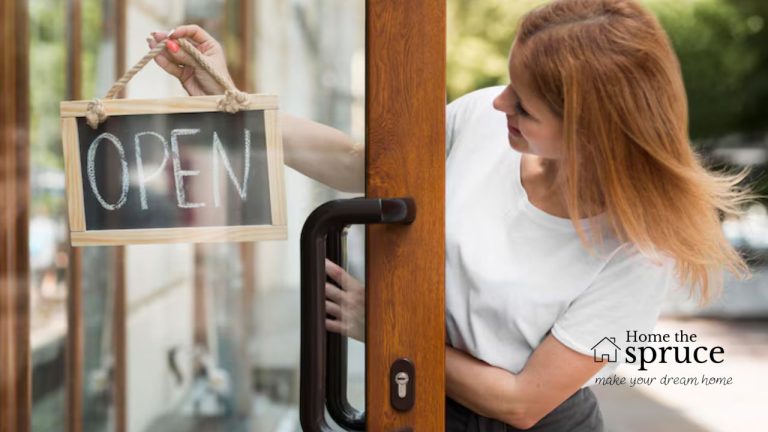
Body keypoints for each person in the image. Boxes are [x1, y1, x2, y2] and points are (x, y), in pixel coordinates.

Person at [150, 0, 752, 430]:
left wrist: (389, 322)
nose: (499, 101)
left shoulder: (640, 250)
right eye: (509, 82)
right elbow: (357, 161)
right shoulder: (483, 124)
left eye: (524, 102)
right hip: (411, 393)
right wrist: (225, 98)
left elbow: (521, 403)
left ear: (590, 129)